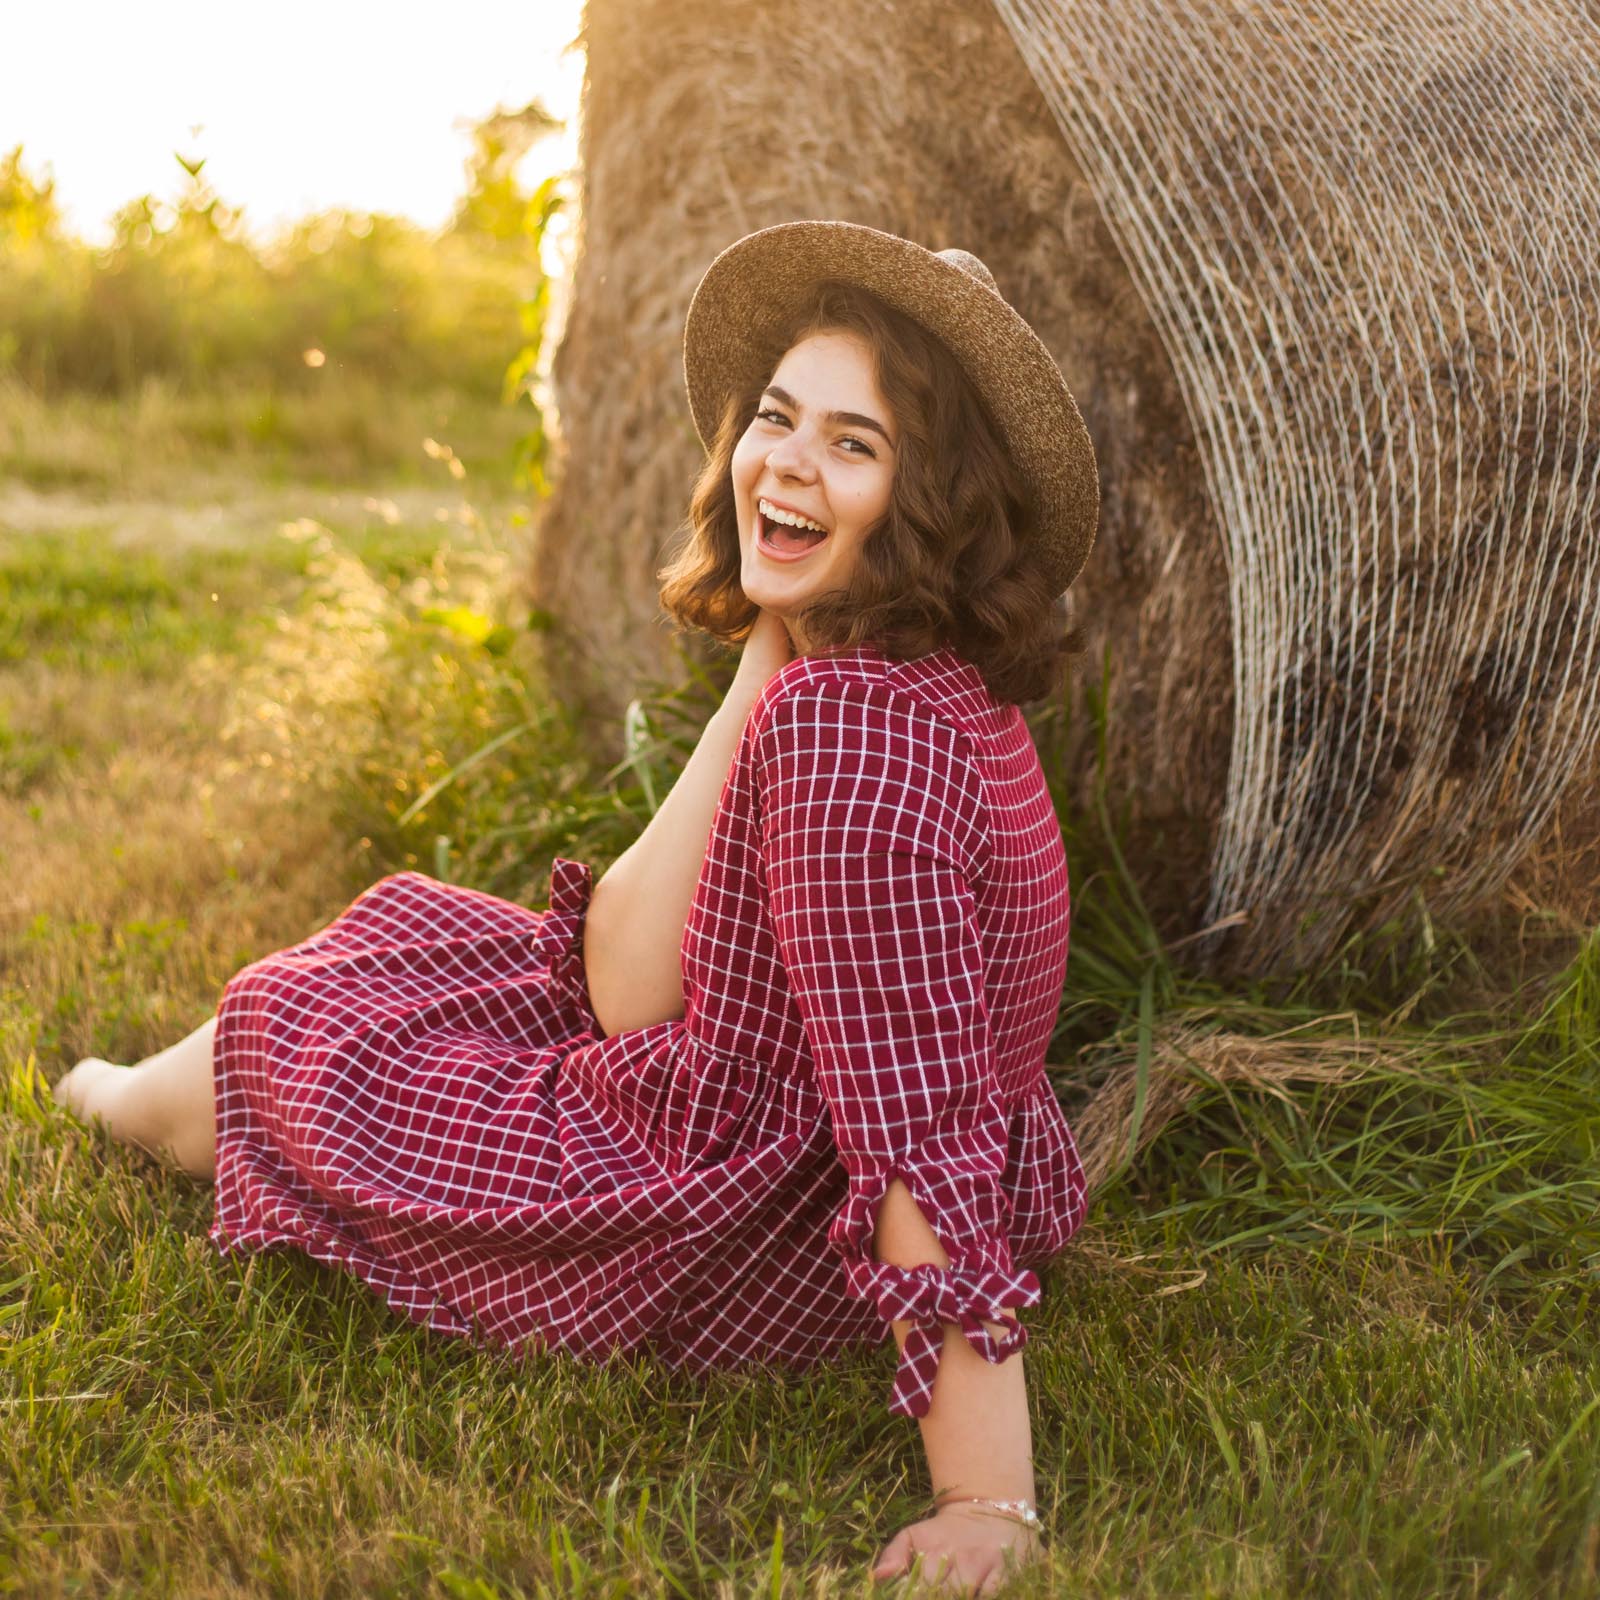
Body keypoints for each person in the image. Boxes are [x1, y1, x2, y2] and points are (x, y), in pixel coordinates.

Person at [54, 219, 1100, 1597]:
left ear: (937, 499)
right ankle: (136, 1093)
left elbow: (914, 1138)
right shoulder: (907, 677)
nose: (785, 460)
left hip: (730, 1218)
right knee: (413, 939)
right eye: (777, 417)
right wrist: (768, 647)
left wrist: (989, 1502)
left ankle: (112, 1101)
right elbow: (625, 977)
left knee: (297, 1023)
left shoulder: (853, 749)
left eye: (857, 443)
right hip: (757, 1097)